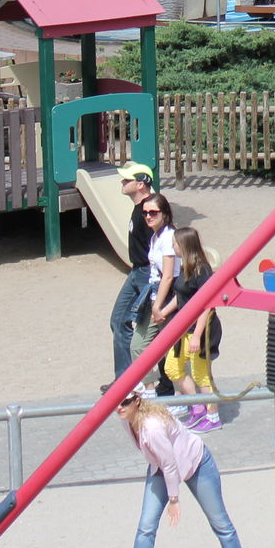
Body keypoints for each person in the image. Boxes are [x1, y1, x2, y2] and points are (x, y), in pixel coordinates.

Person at [115, 390, 259, 548]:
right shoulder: (126, 420)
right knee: (145, 527)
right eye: (116, 402)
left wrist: (174, 499)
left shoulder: (152, 426)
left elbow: (170, 464)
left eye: (125, 402)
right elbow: (165, 464)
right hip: (160, 468)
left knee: (220, 523)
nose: (119, 407)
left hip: (196, 464)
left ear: (137, 401)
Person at [156, 226, 224, 432]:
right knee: (172, 367)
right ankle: (198, 407)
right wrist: (163, 312)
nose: (173, 247)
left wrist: (197, 335)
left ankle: (213, 417)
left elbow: (207, 305)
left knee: (201, 374)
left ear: (184, 245)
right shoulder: (186, 266)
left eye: (175, 244)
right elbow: (181, 296)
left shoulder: (202, 270)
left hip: (202, 330)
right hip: (185, 328)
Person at [109, 162, 160, 387]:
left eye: (127, 180)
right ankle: (125, 380)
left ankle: (137, 381)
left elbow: (164, 239)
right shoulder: (139, 207)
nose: (123, 182)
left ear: (140, 184)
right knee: (118, 321)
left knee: (150, 330)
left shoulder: (150, 209)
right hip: (136, 271)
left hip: (148, 273)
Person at [136, 193, 179, 398]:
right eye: (145, 213)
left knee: (172, 351)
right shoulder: (155, 237)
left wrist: (158, 306)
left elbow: (168, 276)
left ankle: (184, 398)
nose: (148, 216)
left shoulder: (169, 237)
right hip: (155, 294)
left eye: (153, 212)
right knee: (138, 345)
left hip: (167, 296)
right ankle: (150, 390)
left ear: (165, 213)